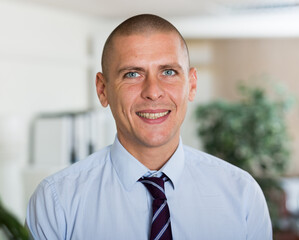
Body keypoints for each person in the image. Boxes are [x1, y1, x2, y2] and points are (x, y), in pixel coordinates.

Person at [26, 14, 272, 240]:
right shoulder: (56, 202)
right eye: (133, 74)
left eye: (168, 71)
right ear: (103, 90)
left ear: (192, 85)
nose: (153, 92)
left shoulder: (242, 195)